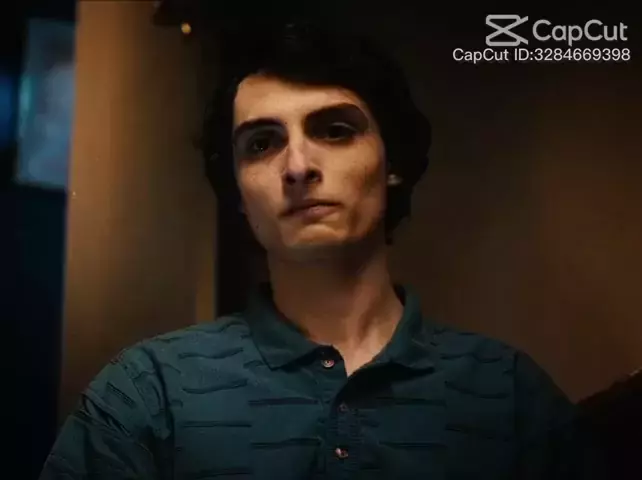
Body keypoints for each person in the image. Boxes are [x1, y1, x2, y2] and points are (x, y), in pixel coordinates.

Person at [39, 19, 589, 479]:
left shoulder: (509, 396)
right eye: (262, 143)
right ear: (238, 193)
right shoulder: (146, 393)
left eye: (334, 130)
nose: (298, 166)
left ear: (392, 163)